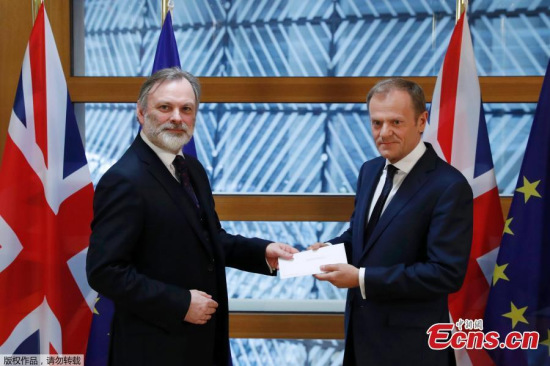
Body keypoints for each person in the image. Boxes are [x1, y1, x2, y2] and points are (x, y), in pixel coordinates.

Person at [86, 67, 297, 366]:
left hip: (202, 344)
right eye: (165, 107)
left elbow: (209, 239)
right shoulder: (124, 179)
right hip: (152, 350)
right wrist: (180, 303)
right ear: (141, 113)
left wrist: (262, 252)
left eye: (186, 108)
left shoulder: (192, 169)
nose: (176, 117)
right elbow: (105, 271)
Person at [310, 78, 473, 365]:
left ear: (422, 121)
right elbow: (362, 238)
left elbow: (445, 272)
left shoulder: (449, 186)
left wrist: (361, 278)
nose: (384, 133)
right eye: (376, 123)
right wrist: (329, 250)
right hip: (360, 340)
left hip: (412, 350)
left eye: (396, 122)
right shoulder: (369, 170)